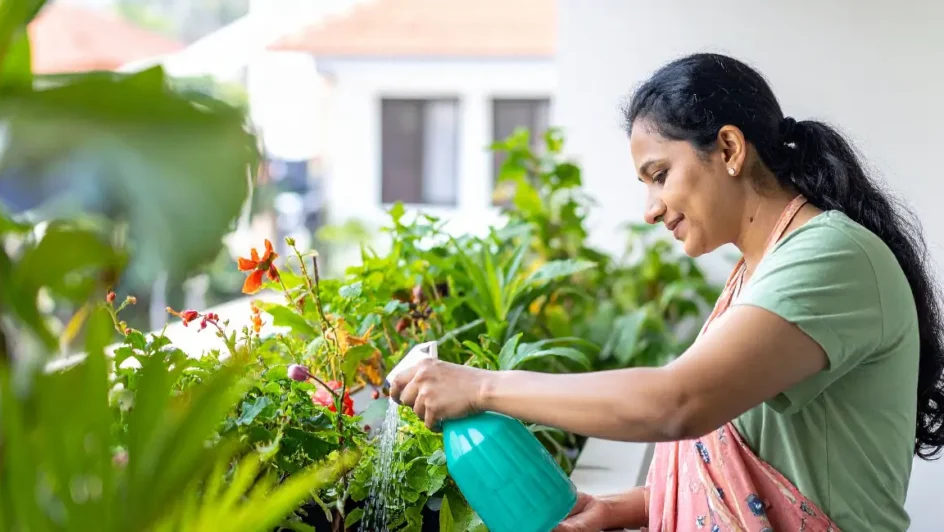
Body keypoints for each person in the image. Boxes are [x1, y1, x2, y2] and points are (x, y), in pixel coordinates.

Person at [389, 53, 944, 531]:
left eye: (660, 175)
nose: (651, 209)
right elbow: (760, 468)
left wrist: (482, 388)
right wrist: (621, 508)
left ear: (728, 149)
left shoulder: (831, 257)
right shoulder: (764, 268)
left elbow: (679, 403)